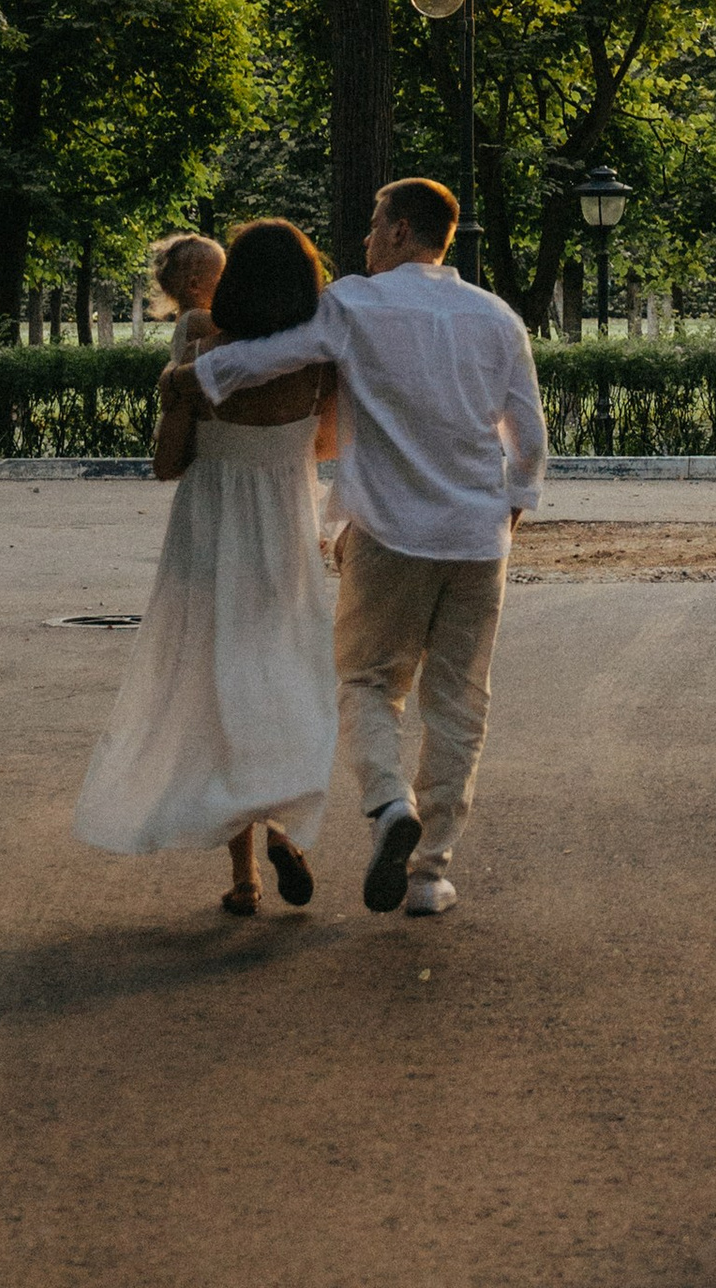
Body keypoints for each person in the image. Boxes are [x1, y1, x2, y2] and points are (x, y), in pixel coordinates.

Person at [175, 175, 547, 921]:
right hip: (479, 541)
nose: (367, 239)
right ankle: (429, 875)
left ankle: (388, 805)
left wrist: (197, 374)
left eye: (376, 225)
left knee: (368, 681)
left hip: (389, 535)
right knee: (460, 704)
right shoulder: (498, 317)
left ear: (403, 230)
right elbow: (529, 439)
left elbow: (271, 357)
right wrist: (506, 516)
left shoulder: (354, 304)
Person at [75, 218, 339, 918]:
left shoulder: (200, 352)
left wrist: (189, 408)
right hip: (283, 535)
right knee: (279, 680)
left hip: (209, 535)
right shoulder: (321, 361)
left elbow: (168, 463)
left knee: (214, 692)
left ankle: (245, 878)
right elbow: (326, 445)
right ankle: (283, 828)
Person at [146, 231, 228, 368]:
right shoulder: (196, 318)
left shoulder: (185, 318)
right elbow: (238, 331)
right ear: (194, 285)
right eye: (221, 276)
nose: (227, 283)